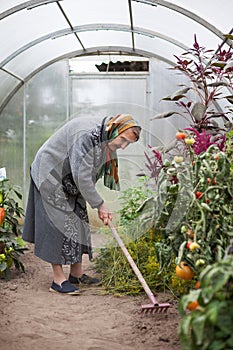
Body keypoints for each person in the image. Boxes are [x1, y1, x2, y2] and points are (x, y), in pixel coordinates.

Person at [23, 114, 141, 295]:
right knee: (58, 224)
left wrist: (94, 199)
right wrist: (100, 204)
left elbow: (89, 172)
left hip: (68, 176)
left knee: (79, 217)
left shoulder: (104, 137)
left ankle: (76, 274)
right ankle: (58, 280)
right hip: (50, 173)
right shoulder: (86, 135)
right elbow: (81, 175)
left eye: (128, 143)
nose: (123, 147)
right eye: (123, 140)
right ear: (114, 130)